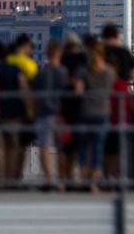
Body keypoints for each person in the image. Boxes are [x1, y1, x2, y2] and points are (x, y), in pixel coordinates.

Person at [74, 38, 116, 192]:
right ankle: (95, 180)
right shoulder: (110, 71)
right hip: (103, 111)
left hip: (86, 111)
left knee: (84, 147)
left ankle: (84, 177)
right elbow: (111, 90)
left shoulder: (83, 70)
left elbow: (78, 92)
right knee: (98, 147)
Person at [0, 41, 31, 182]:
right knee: (13, 147)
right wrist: (28, 110)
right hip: (15, 113)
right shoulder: (15, 69)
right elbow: (23, 88)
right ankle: (12, 177)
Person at [100, 24, 134, 178]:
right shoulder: (124, 52)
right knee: (119, 145)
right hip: (121, 99)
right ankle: (116, 175)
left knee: (101, 143)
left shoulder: (99, 52)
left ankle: (104, 175)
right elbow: (133, 76)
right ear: (116, 35)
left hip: (100, 99)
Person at [33, 39, 68, 188]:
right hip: (61, 115)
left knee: (44, 148)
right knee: (62, 149)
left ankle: (48, 179)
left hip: (43, 114)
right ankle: (62, 179)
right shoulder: (64, 72)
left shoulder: (42, 73)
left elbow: (34, 93)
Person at [59, 32, 87, 184]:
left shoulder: (62, 60)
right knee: (82, 148)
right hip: (81, 108)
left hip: (64, 108)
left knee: (65, 148)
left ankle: (65, 179)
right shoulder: (84, 60)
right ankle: (84, 179)